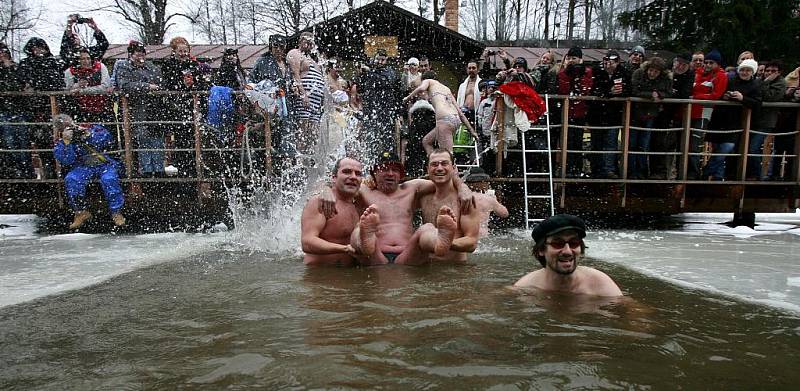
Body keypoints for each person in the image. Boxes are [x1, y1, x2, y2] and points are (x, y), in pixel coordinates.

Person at [321, 151, 473, 265]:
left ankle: (439, 242)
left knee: (426, 228)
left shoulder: (412, 187)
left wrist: (462, 187)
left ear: (401, 174)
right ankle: (365, 243)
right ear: (374, 173)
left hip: (407, 255)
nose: (390, 173)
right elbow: (338, 183)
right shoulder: (362, 190)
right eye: (384, 169)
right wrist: (326, 190)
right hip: (374, 255)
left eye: (395, 170)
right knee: (359, 229)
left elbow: (443, 178)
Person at [381, 149, 481, 265]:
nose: (439, 168)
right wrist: (371, 182)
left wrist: (446, 243)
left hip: (454, 267)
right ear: (427, 169)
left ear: (454, 168)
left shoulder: (465, 199)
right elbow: (393, 197)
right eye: (434, 164)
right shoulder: (423, 197)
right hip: (427, 266)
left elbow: (472, 242)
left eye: (444, 163)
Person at [514, 214, 622, 296]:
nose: (568, 251)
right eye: (558, 244)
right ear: (541, 250)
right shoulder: (526, 288)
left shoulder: (600, 284)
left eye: (573, 243)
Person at [52, 114, 125, 229]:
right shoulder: (61, 141)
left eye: (69, 125)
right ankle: (80, 212)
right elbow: (67, 160)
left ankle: (116, 212)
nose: (70, 128)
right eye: (64, 127)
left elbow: (108, 139)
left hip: (104, 163)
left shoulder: (91, 127)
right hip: (83, 166)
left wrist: (89, 135)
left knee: (109, 179)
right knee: (71, 179)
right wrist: (67, 142)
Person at [300, 157, 364, 266]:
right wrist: (344, 249)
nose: (353, 177)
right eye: (347, 172)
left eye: (358, 173)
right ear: (334, 177)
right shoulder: (321, 202)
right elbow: (307, 242)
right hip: (319, 276)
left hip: (348, 276)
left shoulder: (360, 202)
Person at [705, 58, 761, 181]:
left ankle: (705, 172)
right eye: (742, 70)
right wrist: (725, 96)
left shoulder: (755, 85)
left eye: (748, 70)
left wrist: (743, 98)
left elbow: (757, 103)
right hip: (719, 118)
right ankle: (717, 176)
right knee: (716, 148)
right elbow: (717, 92)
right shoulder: (729, 79)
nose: (744, 72)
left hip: (736, 122)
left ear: (753, 72)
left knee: (726, 148)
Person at [115, 40, 164, 178]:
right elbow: (125, 86)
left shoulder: (152, 67)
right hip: (136, 108)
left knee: (156, 139)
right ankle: (146, 171)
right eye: (137, 53)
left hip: (154, 108)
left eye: (142, 53)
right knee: (142, 138)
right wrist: (146, 87)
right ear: (131, 54)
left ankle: (159, 170)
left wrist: (150, 87)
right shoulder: (124, 67)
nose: (140, 56)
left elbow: (160, 82)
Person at [403, 72, 478, 155]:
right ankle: (433, 163)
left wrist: (408, 98)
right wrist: (472, 130)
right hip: (455, 120)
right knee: (426, 141)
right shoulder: (446, 88)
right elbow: (460, 114)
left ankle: (444, 165)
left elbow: (421, 88)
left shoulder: (428, 81)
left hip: (445, 120)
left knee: (447, 156)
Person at [588, 50, 631, 178]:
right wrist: (609, 91)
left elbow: (629, 89)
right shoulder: (596, 72)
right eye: (606, 62)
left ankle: (609, 169)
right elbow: (593, 89)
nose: (608, 65)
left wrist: (620, 92)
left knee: (611, 143)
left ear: (617, 62)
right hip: (597, 114)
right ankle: (596, 169)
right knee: (596, 143)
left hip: (614, 115)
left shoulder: (624, 73)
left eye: (611, 62)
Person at [630, 56, 673, 179]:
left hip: (650, 114)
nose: (652, 73)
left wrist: (659, 94)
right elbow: (634, 90)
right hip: (635, 113)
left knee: (644, 144)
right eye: (651, 70)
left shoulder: (665, 79)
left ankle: (642, 171)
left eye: (655, 71)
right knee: (632, 144)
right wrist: (651, 95)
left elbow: (669, 92)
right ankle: (632, 170)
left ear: (660, 73)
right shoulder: (639, 74)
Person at [688, 49, 728, 179]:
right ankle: (685, 170)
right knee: (685, 143)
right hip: (690, 112)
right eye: (707, 62)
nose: (708, 65)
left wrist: (696, 97)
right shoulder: (698, 73)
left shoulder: (721, 76)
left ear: (718, 64)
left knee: (695, 145)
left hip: (704, 114)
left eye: (712, 62)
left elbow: (716, 95)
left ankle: (694, 173)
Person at [286, 32, 326, 156]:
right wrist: (304, 95)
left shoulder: (312, 59)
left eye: (311, 42)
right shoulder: (295, 53)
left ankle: (309, 158)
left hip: (316, 100)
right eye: (306, 41)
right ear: (300, 42)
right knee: (302, 131)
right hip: (305, 98)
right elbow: (295, 75)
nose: (308, 44)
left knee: (313, 134)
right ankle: (299, 160)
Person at [749, 61, 787, 180]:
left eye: (773, 71)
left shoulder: (781, 83)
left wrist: (766, 82)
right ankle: (753, 173)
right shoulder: (758, 80)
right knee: (749, 148)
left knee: (753, 148)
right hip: (753, 118)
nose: (769, 73)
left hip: (767, 121)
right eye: (767, 70)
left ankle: (759, 174)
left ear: (779, 72)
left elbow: (770, 97)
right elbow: (753, 94)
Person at [0, 42, 32, 178]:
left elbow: (20, 85)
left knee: (23, 144)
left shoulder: (17, 68)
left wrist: (10, 69)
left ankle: (26, 173)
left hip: (19, 110)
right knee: (9, 144)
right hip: (4, 111)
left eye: (4, 52)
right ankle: (15, 174)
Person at [64, 46, 112, 123]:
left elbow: (105, 87)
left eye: (88, 58)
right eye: (82, 59)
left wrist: (82, 91)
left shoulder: (100, 67)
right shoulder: (70, 71)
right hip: (80, 109)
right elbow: (69, 90)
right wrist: (78, 85)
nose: (86, 61)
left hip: (103, 107)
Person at [464, 167, 508, 237]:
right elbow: (504, 214)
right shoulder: (489, 199)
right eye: (487, 182)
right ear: (482, 183)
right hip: (482, 237)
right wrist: (497, 201)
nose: (488, 184)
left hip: (464, 236)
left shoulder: (460, 198)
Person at [457, 59, 481, 125]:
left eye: (473, 68)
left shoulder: (481, 84)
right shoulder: (462, 86)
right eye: (469, 68)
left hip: (476, 114)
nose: (471, 70)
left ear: (478, 69)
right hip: (464, 114)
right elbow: (458, 101)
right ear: (467, 69)